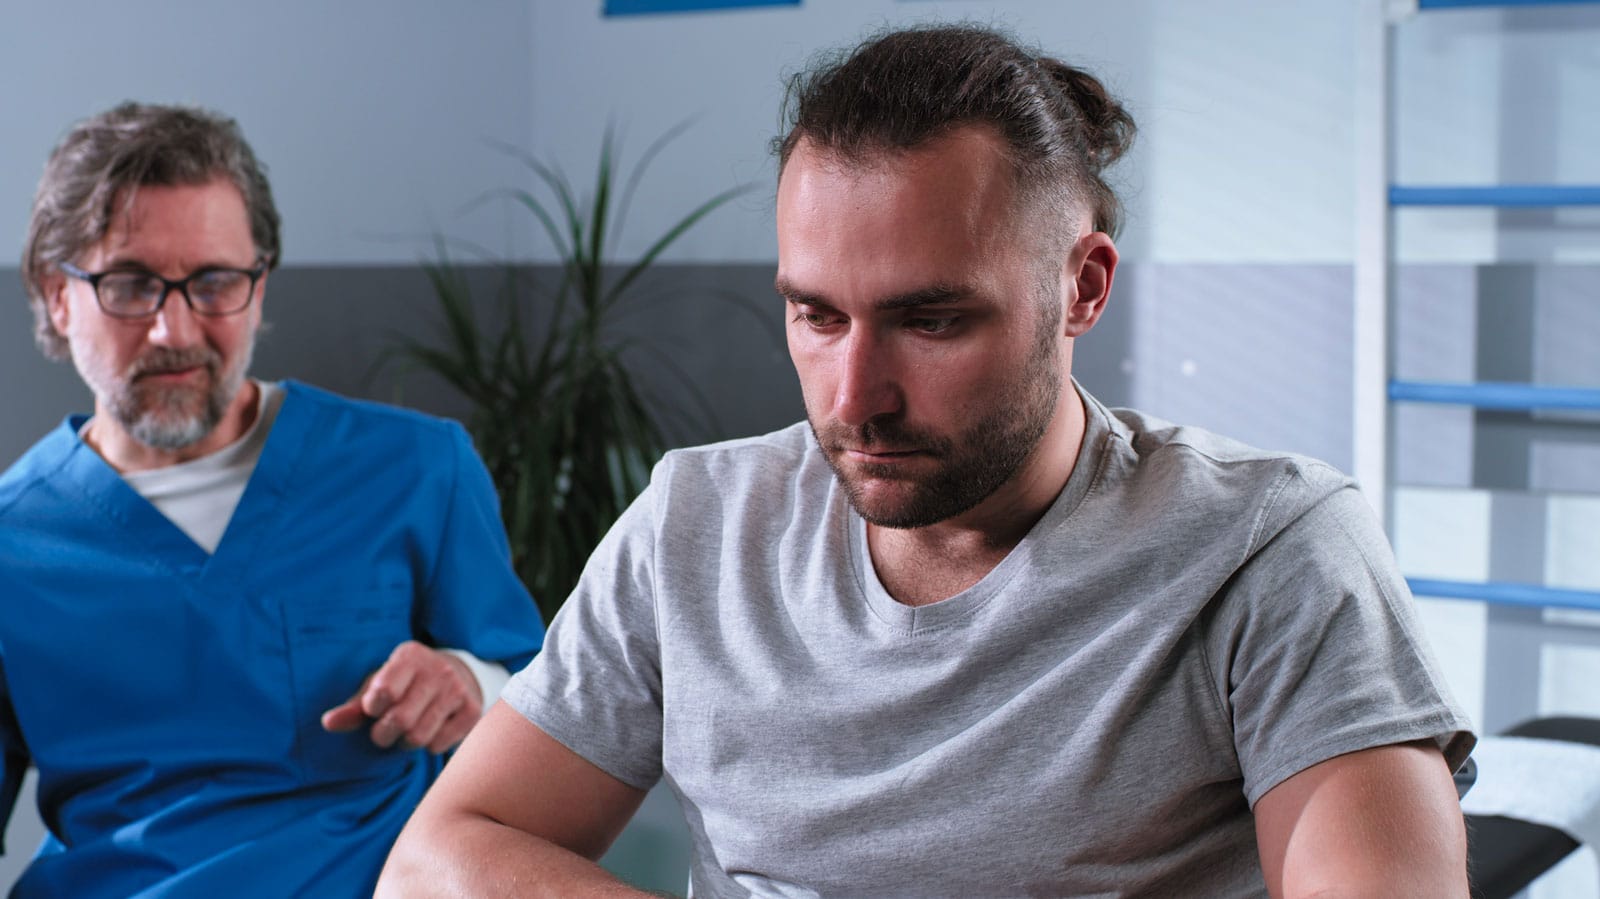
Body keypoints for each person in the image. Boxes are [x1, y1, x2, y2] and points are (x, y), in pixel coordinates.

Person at [379, 24, 1475, 898]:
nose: (853, 398)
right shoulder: (697, 523)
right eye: (815, 315)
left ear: (1080, 288)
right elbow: (442, 856)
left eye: (933, 320)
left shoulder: (1268, 550)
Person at [0, 103, 545, 897]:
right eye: (130, 285)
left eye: (214, 281)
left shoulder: (417, 468)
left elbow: (552, 713)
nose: (171, 329)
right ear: (57, 296)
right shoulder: (13, 543)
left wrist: (470, 679)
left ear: (258, 287)